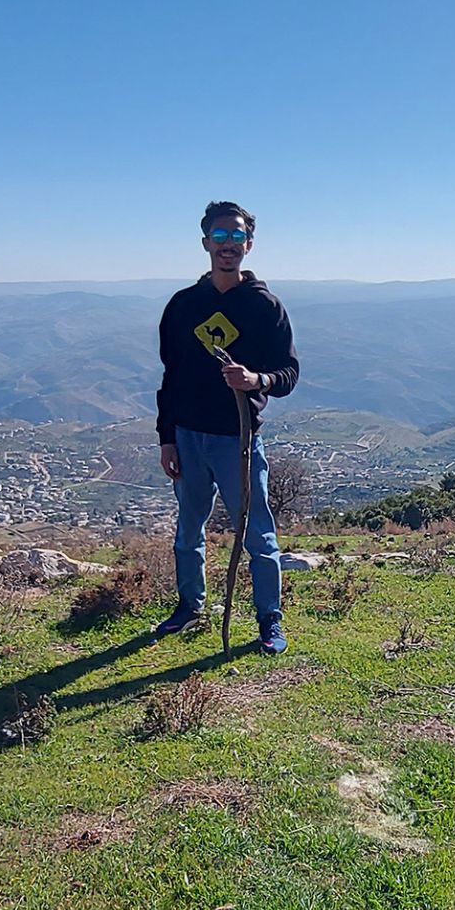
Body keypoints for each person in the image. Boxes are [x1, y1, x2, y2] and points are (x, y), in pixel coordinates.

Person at [155, 200, 299, 653]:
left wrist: (257, 380)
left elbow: (289, 374)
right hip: (189, 438)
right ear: (205, 243)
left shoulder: (265, 308)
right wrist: (167, 438)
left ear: (249, 245)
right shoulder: (183, 306)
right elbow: (170, 377)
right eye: (220, 237)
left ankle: (269, 621)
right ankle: (189, 606)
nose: (228, 246)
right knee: (188, 529)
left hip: (238, 441)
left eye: (237, 237)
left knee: (258, 533)